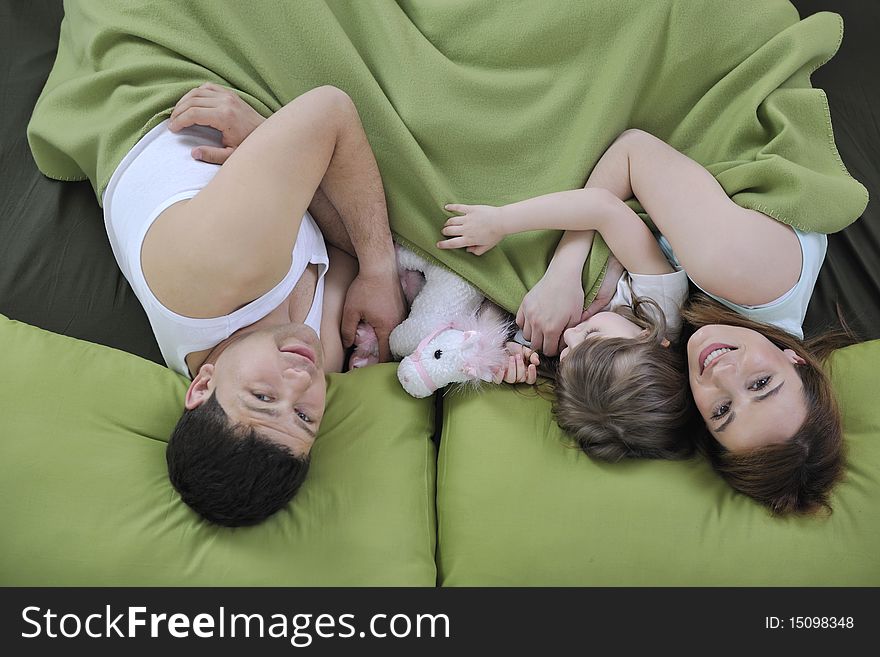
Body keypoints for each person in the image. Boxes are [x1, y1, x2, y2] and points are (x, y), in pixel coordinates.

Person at [437, 128, 851, 513]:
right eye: (761, 384)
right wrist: (564, 271)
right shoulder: (739, 272)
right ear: (796, 361)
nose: (721, 373)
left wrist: (513, 355)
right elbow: (632, 150)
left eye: (722, 410)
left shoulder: (667, 357)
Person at [102, 83, 407, 526]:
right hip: (271, 125)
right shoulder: (321, 350)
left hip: (168, 95)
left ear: (202, 386)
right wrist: (267, 138)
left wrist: (380, 270)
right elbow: (349, 240)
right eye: (304, 416)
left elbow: (332, 109)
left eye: (263, 396)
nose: (299, 382)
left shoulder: (213, 272)